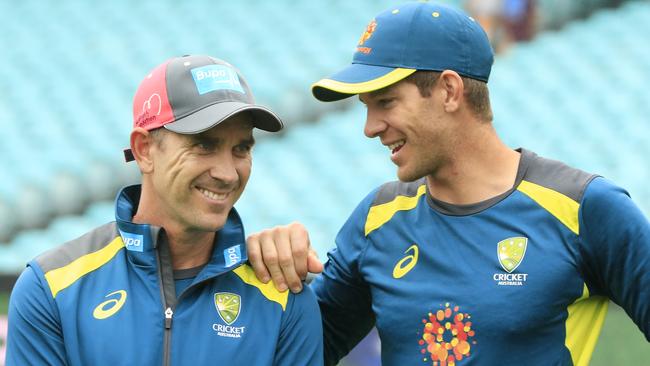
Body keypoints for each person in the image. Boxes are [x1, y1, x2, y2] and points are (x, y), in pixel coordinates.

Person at [245, 2, 650, 365]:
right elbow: (296, 352)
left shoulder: (585, 208)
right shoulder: (377, 219)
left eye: (385, 102)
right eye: (366, 108)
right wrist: (270, 266)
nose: (370, 129)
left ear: (450, 91)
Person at [6, 55, 323, 366]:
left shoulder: (284, 295)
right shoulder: (51, 287)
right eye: (204, 144)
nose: (227, 173)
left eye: (241, 148)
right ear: (144, 150)